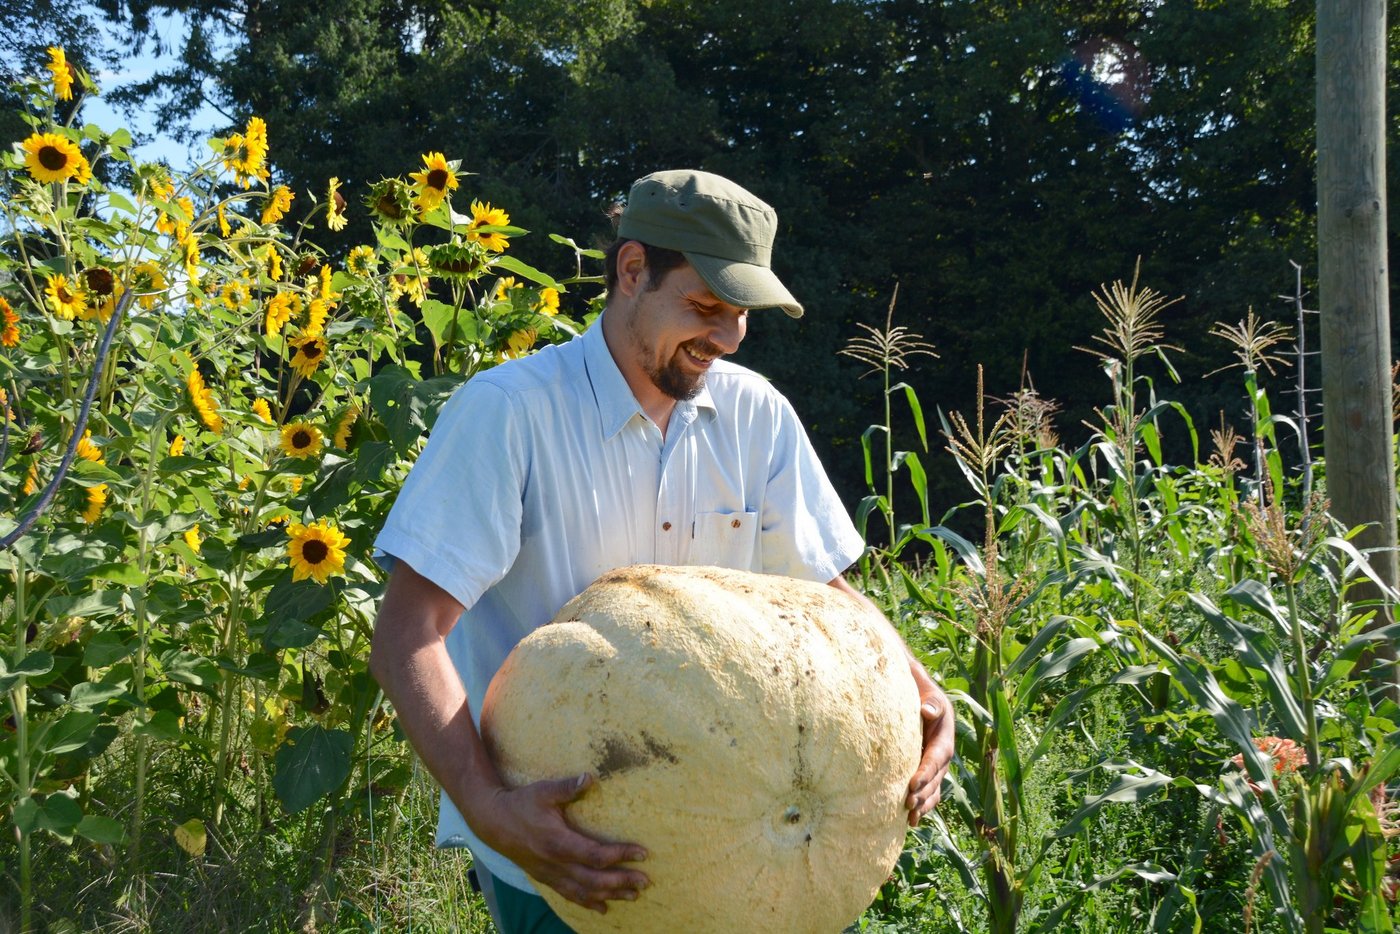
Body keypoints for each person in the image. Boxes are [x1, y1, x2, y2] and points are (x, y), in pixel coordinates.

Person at [368, 169, 954, 933]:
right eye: (706, 306)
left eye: (741, 314)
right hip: (569, 859)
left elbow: (826, 593)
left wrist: (922, 688)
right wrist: (489, 808)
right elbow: (406, 636)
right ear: (633, 270)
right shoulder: (510, 414)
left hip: (762, 855)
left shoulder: (760, 417)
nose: (727, 336)